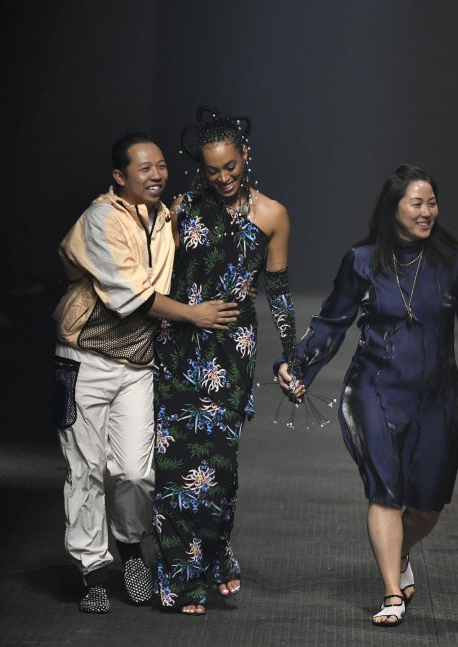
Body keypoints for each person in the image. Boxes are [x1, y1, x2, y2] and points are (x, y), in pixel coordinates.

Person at [278, 164, 458, 627]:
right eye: (417, 203)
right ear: (394, 208)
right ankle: (391, 593)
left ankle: (401, 547)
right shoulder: (362, 260)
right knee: (385, 491)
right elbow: (332, 321)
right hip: (374, 386)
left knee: (427, 506)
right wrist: (300, 365)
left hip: (436, 393)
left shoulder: (453, 262)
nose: (427, 211)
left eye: (432, 203)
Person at [54, 132, 237, 613]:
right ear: (120, 177)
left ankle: (131, 547)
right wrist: (193, 314)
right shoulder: (101, 219)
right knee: (85, 470)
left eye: (161, 166)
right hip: (85, 359)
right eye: (144, 169)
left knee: (136, 472)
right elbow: (128, 294)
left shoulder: (165, 219)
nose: (156, 175)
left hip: (138, 364)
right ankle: (93, 569)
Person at [152, 108, 294, 615]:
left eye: (231, 167)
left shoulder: (273, 215)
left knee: (217, 470)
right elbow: (157, 279)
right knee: (173, 470)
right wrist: (189, 314)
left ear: (246, 157)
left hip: (231, 355)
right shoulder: (181, 209)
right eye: (214, 170)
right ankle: (180, 583)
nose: (224, 178)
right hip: (179, 347)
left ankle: (211, 556)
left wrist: (291, 357)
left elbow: (276, 291)